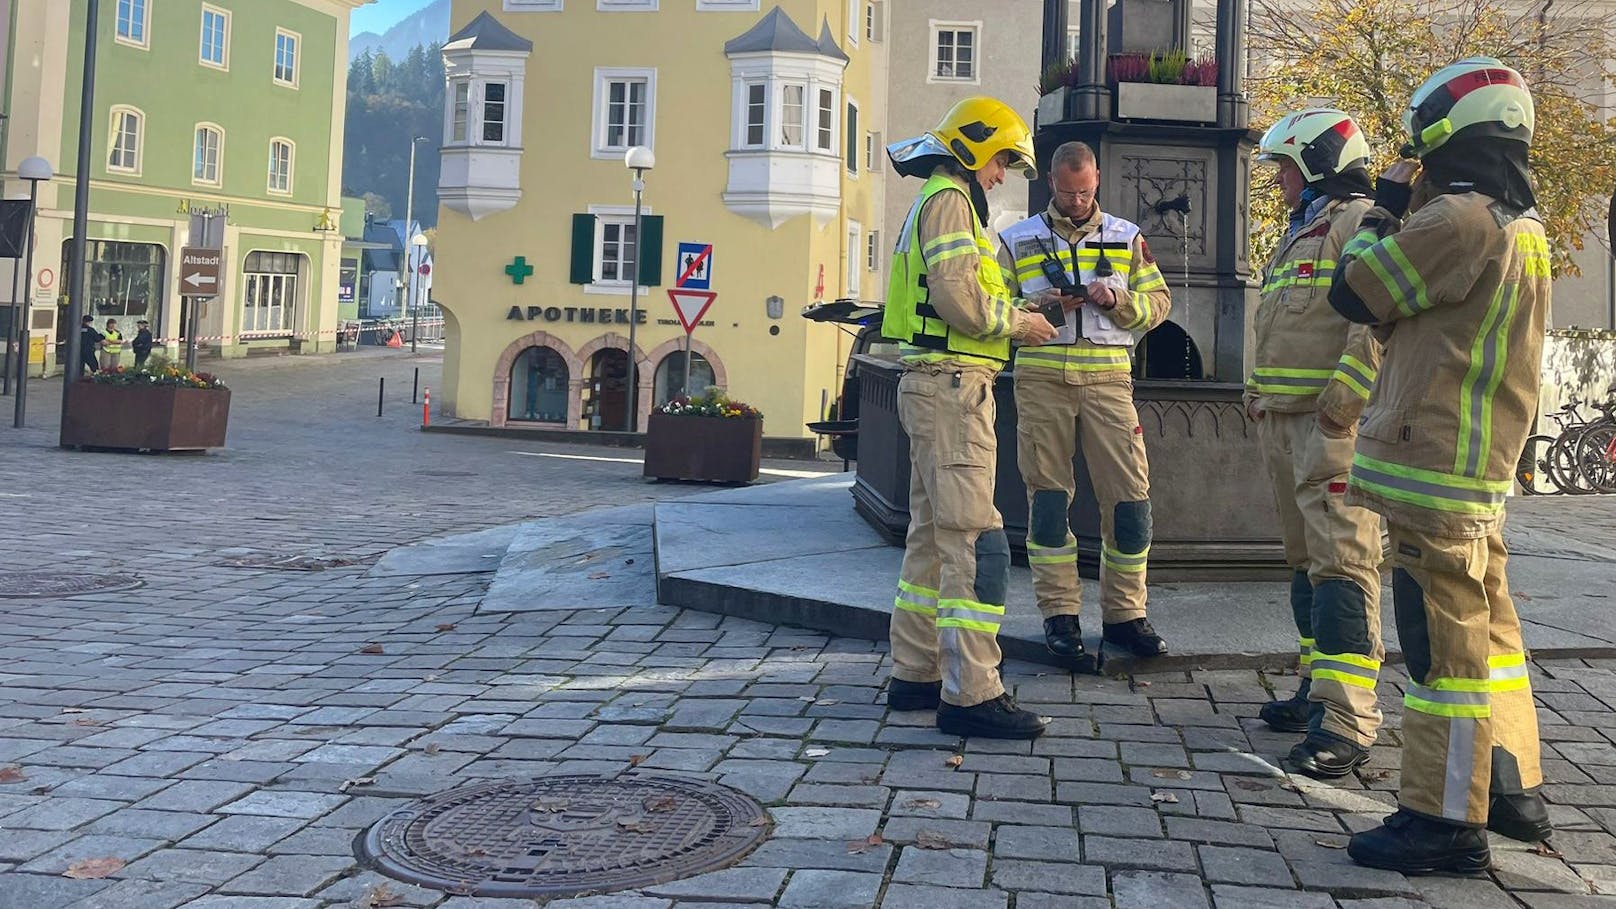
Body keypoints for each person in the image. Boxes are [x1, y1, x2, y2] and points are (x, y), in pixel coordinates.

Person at [1327, 57, 1553, 873]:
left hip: (1435, 471)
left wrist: (1387, 201)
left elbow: (1355, 289)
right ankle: (1511, 785)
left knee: (1442, 655)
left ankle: (1442, 816)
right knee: (1493, 636)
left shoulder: (1456, 221)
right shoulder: (1521, 224)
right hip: (1479, 465)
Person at [882, 96, 1060, 739]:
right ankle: (973, 694)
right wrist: (1020, 322)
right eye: (1001, 161)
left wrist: (1013, 305)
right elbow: (960, 297)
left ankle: (916, 672)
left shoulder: (935, 197)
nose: (1002, 175)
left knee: (932, 535)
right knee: (975, 539)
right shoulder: (953, 199)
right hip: (954, 387)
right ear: (975, 148)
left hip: (932, 384)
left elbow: (951, 289)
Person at [1248, 109, 1387, 779]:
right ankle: (1315, 686)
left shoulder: (1356, 221)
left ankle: (1347, 716)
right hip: (1287, 422)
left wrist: (1347, 399)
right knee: (1306, 564)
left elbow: (1377, 320)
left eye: (1283, 167)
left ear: (1316, 163)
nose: (1277, 180)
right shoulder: (1308, 226)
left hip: (1329, 428)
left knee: (1342, 566)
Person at [997, 141, 1172, 667]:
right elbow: (993, 305)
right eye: (1069, 192)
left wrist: (1119, 301)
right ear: (1052, 182)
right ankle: (1060, 617)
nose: (1077, 201)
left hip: (1110, 383)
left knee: (1130, 501)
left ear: (1097, 181)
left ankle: (1125, 616)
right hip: (1042, 379)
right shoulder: (1016, 239)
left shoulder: (1125, 237)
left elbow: (1159, 305)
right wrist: (1039, 304)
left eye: (1086, 191)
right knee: (1048, 501)